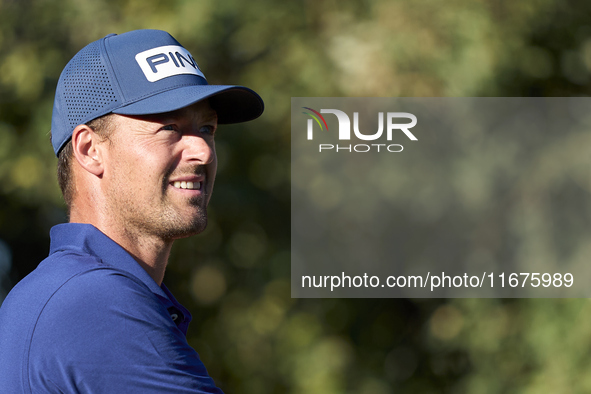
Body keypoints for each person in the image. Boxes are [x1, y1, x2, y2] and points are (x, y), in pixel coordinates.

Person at [0, 29, 263, 393]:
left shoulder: (52, 292)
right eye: (169, 127)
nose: (202, 151)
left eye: (207, 128)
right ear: (90, 149)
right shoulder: (95, 304)